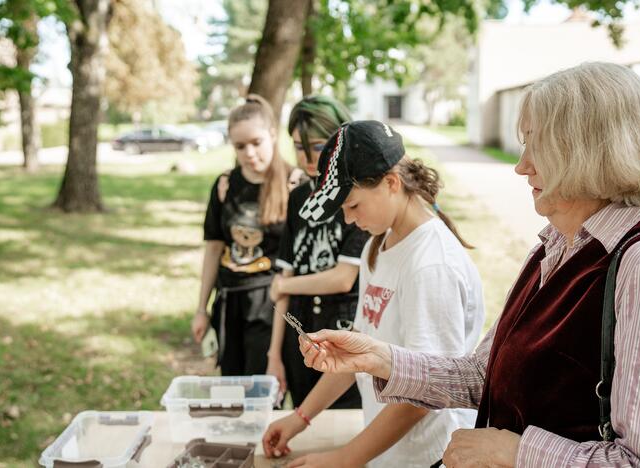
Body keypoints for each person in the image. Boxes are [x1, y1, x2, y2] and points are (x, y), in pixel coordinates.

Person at [298, 62, 640, 467]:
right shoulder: (554, 248)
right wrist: (379, 358)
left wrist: (513, 451)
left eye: (536, 144)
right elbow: (484, 375)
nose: (521, 164)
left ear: (590, 149)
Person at [262, 120, 485, 468]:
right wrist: (300, 417)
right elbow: (360, 351)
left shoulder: (430, 265)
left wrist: (345, 458)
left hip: (429, 456)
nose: (349, 220)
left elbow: (423, 395)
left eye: (353, 205)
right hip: (388, 454)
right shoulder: (377, 247)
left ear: (391, 183)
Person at [266, 95, 368, 409]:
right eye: (299, 146)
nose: (309, 157)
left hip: (343, 337)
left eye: (320, 145)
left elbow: (342, 278)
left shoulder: (356, 194)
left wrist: (284, 285)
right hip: (298, 338)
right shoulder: (297, 198)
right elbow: (286, 271)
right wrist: (274, 356)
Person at [191, 94, 302, 376]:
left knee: (262, 391)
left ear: (273, 135)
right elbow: (214, 248)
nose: (250, 153)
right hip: (229, 302)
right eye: (240, 146)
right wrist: (202, 308)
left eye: (256, 143)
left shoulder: (294, 183)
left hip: (270, 306)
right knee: (230, 389)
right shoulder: (225, 185)